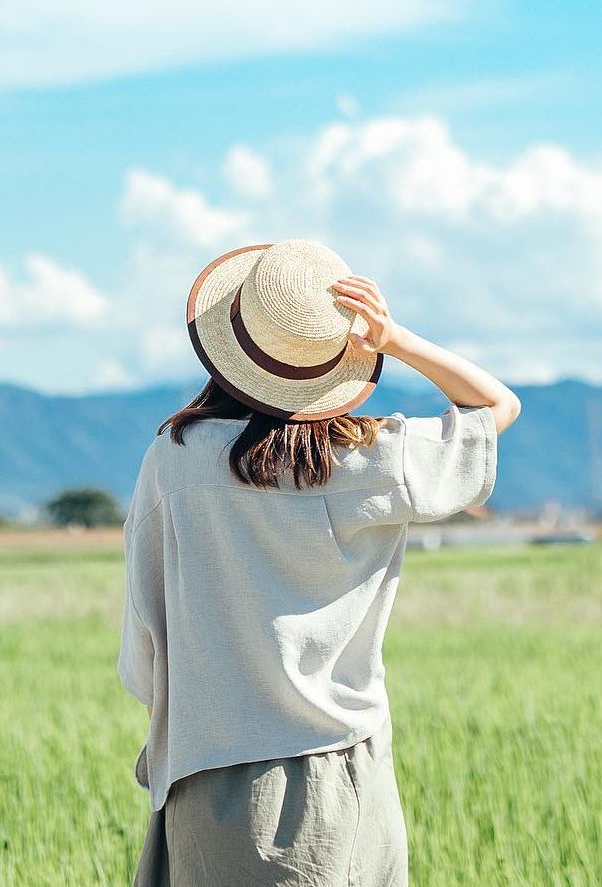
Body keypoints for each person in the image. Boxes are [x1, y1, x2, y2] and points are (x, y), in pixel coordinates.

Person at [120, 240, 520, 885]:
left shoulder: (176, 458)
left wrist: (168, 717)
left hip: (212, 766)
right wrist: (397, 340)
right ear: (336, 367)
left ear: (229, 349)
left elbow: (145, 616)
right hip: (348, 767)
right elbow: (495, 407)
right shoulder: (368, 461)